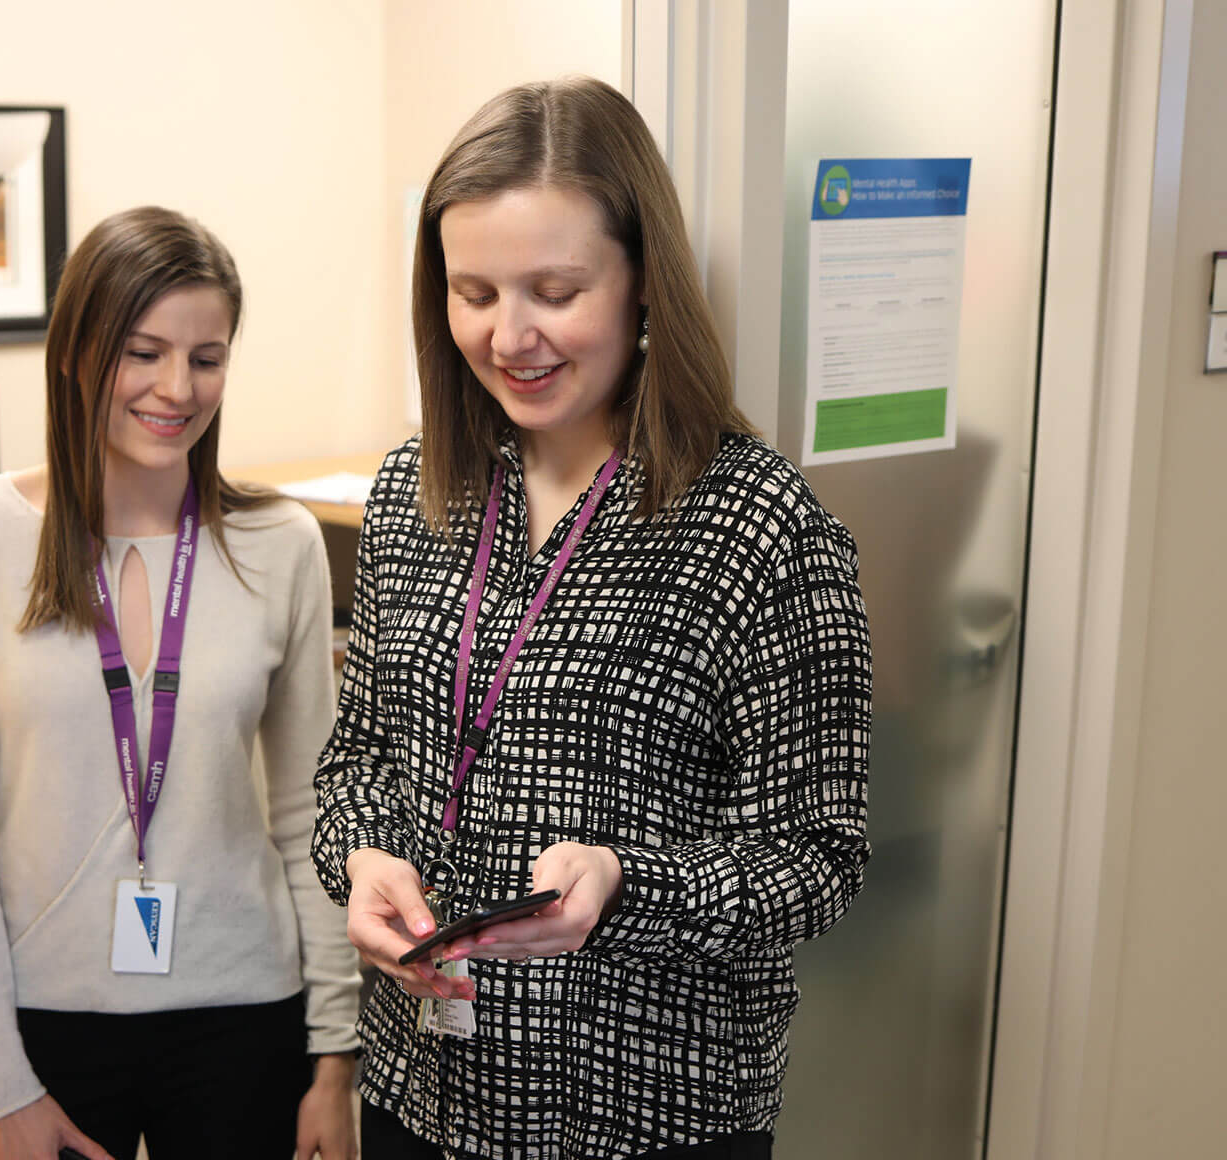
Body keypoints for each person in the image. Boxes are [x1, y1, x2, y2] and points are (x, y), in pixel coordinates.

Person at [313, 78, 873, 1160]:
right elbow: (357, 758)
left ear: (641, 282)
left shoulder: (757, 526)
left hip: (645, 1108)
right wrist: (363, 854)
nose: (507, 334)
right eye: (470, 291)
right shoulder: (411, 492)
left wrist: (628, 881)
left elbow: (820, 857)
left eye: (553, 290)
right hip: (420, 1090)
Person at [0, 207, 362, 1160]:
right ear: (77, 353)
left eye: (207, 357)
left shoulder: (279, 543)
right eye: (143, 352)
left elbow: (309, 817)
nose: (175, 388)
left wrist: (335, 1059)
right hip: (48, 1021)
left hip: (246, 1012)